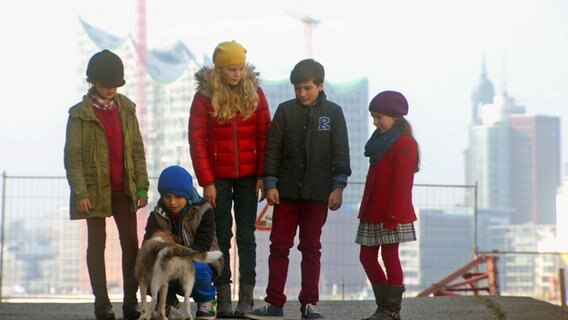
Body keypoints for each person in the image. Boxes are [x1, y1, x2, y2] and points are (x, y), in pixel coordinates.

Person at [247, 59, 351, 320]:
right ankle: (274, 303)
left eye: (307, 88)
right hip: (285, 195)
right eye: (297, 89)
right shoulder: (284, 111)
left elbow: (341, 154)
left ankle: (309, 304)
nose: (302, 93)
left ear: (320, 85)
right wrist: (270, 182)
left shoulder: (334, 113)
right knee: (279, 247)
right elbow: (273, 150)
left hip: (318, 195)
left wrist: (338, 187)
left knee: (311, 248)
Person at [63, 49, 149, 320]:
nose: (111, 89)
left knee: (131, 244)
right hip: (93, 191)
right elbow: (72, 157)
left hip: (124, 188)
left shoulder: (127, 109)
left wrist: (142, 187)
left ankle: (130, 302)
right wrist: (80, 192)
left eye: (116, 84)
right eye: (106, 84)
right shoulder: (79, 115)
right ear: (93, 82)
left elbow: (137, 150)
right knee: (96, 244)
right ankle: (102, 303)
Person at [188, 40, 272, 317]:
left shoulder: (256, 93)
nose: (237, 74)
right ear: (219, 69)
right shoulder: (204, 97)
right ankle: (222, 295)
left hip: (249, 178)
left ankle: (246, 298)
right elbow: (197, 140)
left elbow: (265, 136)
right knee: (221, 236)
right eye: (231, 69)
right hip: (218, 179)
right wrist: (207, 181)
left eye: (240, 68)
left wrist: (262, 176)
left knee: (246, 236)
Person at [356, 91, 419, 320]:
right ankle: (384, 307)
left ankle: (391, 309)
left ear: (394, 117)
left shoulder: (404, 144)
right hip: (373, 211)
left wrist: (392, 217)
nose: (375, 122)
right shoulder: (379, 141)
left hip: (391, 213)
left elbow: (402, 185)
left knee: (390, 256)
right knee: (366, 256)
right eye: (373, 116)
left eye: (379, 117)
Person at [142, 165, 222, 320]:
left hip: (201, 260)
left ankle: (207, 301)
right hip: (166, 263)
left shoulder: (204, 210)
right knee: (144, 270)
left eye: (178, 197)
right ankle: (168, 303)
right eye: (167, 196)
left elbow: (202, 246)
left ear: (187, 194)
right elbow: (148, 245)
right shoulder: (156, 215)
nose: (172, 202)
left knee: (198, 268)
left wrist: (173, 255)